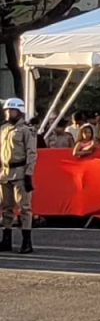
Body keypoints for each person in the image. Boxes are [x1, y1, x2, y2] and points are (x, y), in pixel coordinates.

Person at [0, 98, 38, 254]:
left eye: (12, 110)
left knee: (24, 208)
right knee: (6, 208)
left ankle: (26, 241)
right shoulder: (3, 128)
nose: (9, 113)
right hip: (4, 172)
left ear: (20, 112)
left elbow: (31, 153)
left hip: (20, 172)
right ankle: (6, 240)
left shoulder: (27, 130)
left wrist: (29, 173)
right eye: (7, 110)